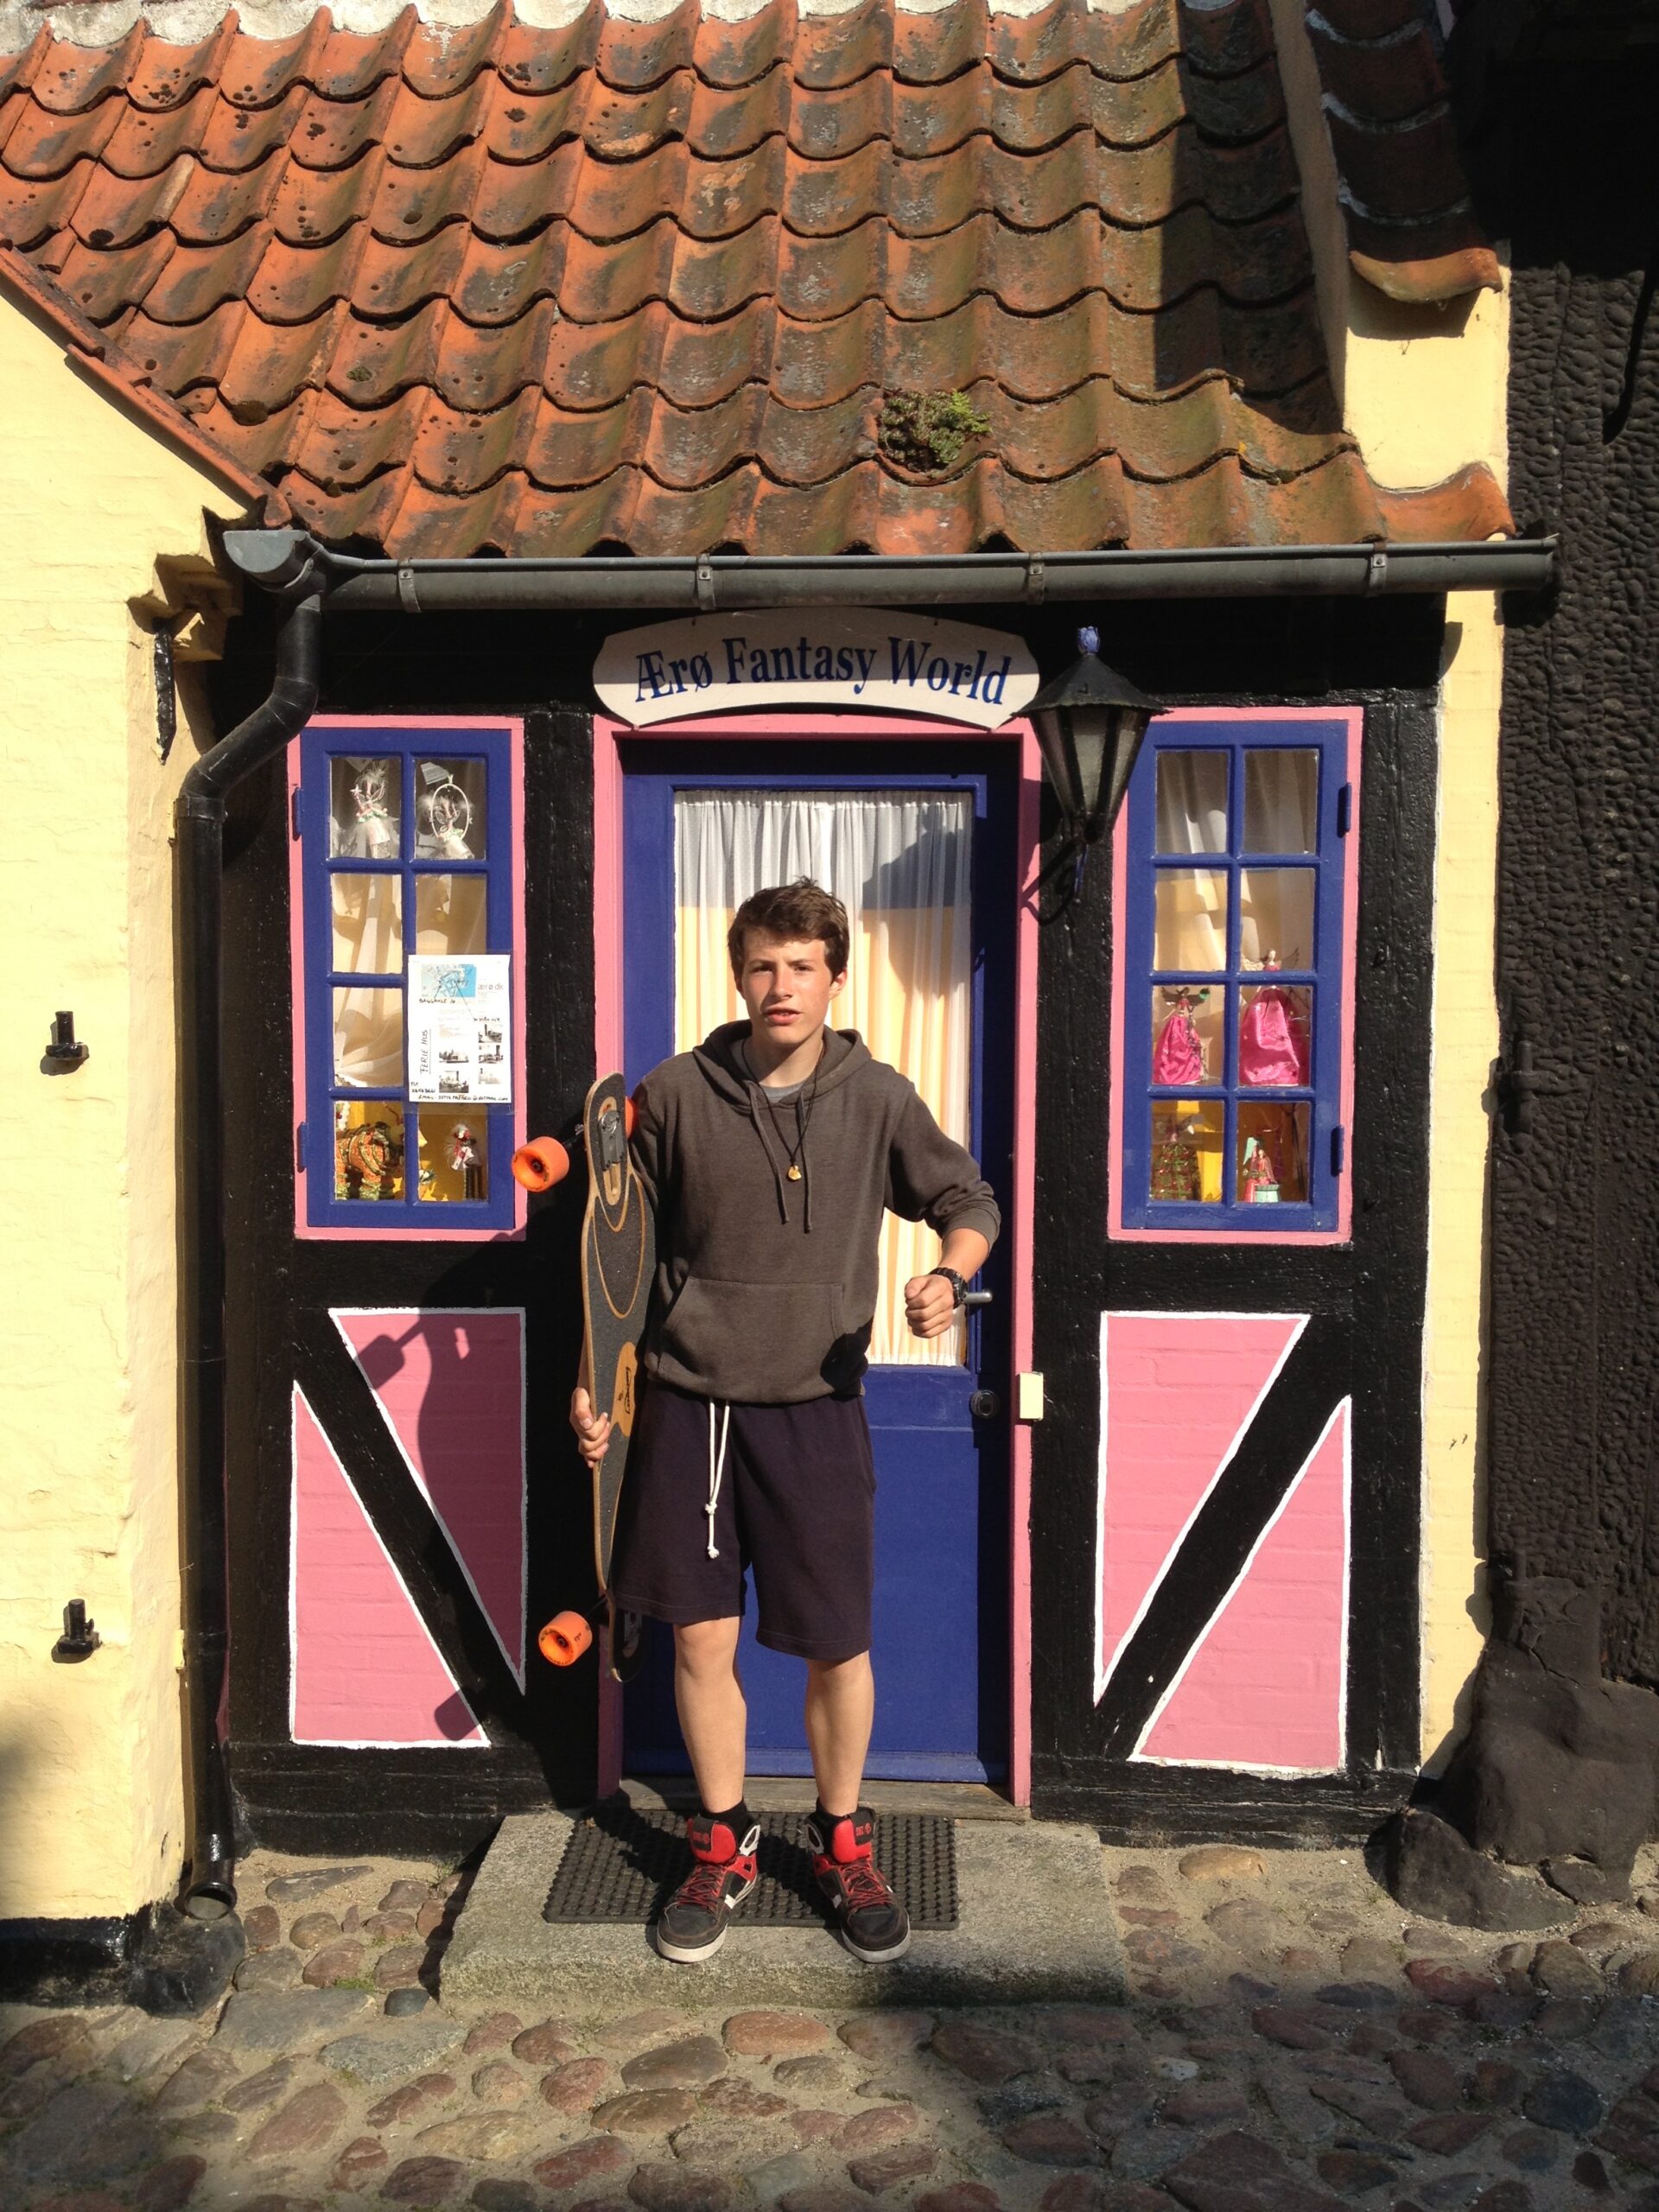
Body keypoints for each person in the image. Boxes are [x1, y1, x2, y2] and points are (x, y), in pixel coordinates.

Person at [569, 878, 999, 1964]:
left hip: (816, 1412)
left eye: (803, 966)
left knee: (836, 1644)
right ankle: (723, 1842)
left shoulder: (879, 1097)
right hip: (692, 1409)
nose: (781, 985)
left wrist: (950, 1278)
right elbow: (615, 1255)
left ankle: (843, 1840)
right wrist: (596, 1383)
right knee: (699, 1639)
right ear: (738, 975)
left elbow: (969, 1202)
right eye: (762, 964)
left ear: (835, 978)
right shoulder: (676, 1093)